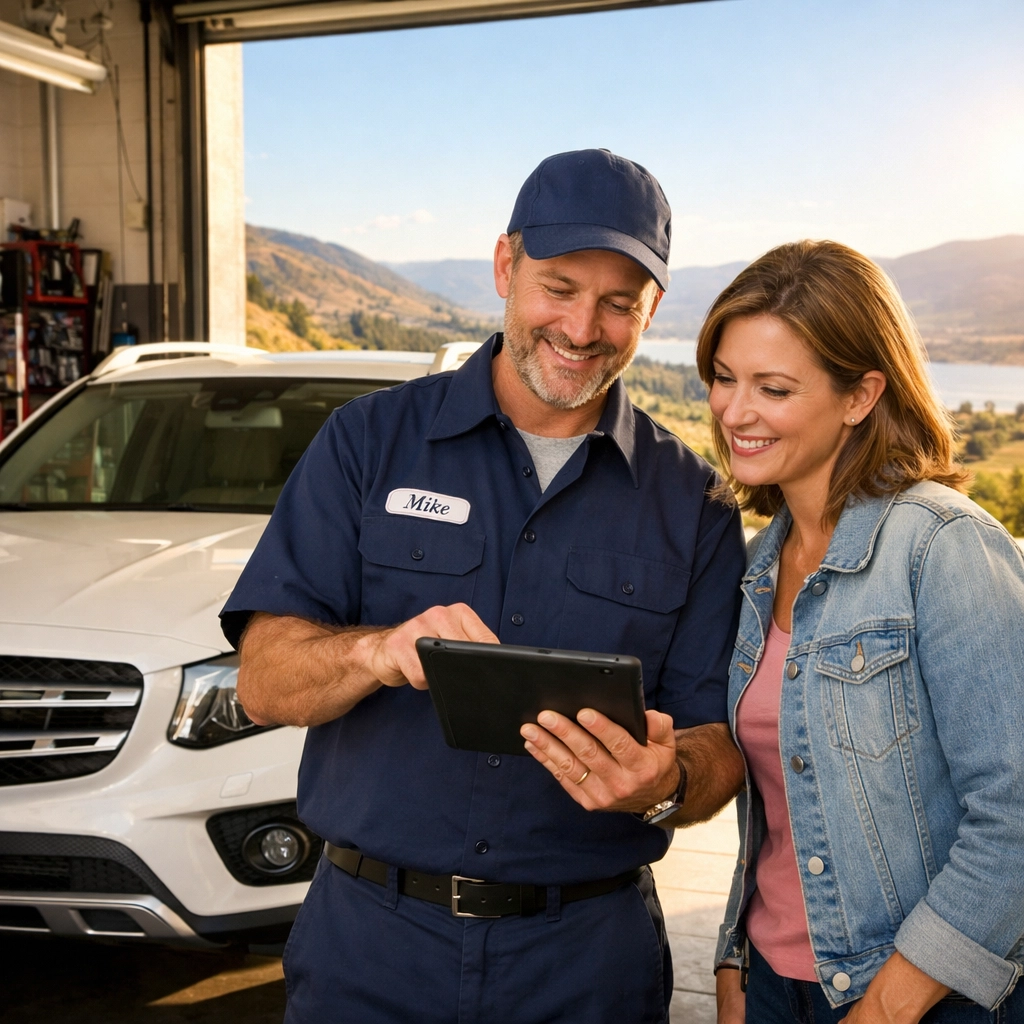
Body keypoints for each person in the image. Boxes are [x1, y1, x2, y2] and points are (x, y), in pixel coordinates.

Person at [221, 149, 747, 1024]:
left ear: (652, 308)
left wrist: (664, 782)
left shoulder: (694, 504)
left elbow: (718, 744)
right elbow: (264, 681)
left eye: (619, 303)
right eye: (559, 287)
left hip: (587, 966)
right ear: (506, 266)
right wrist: (377, 651)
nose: (582, 327)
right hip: (370, 948)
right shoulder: (366, 443)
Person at [702, 240, 1024, 1024]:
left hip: (922, 999)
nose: (735, 412)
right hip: (775, 989)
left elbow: (1014, 815)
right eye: (724, 377)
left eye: (773, 388)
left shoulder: (941, 546)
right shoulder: (759, 563)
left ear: (861, 395)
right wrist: (735, 956)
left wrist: (890, 1005)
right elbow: (780, 805)